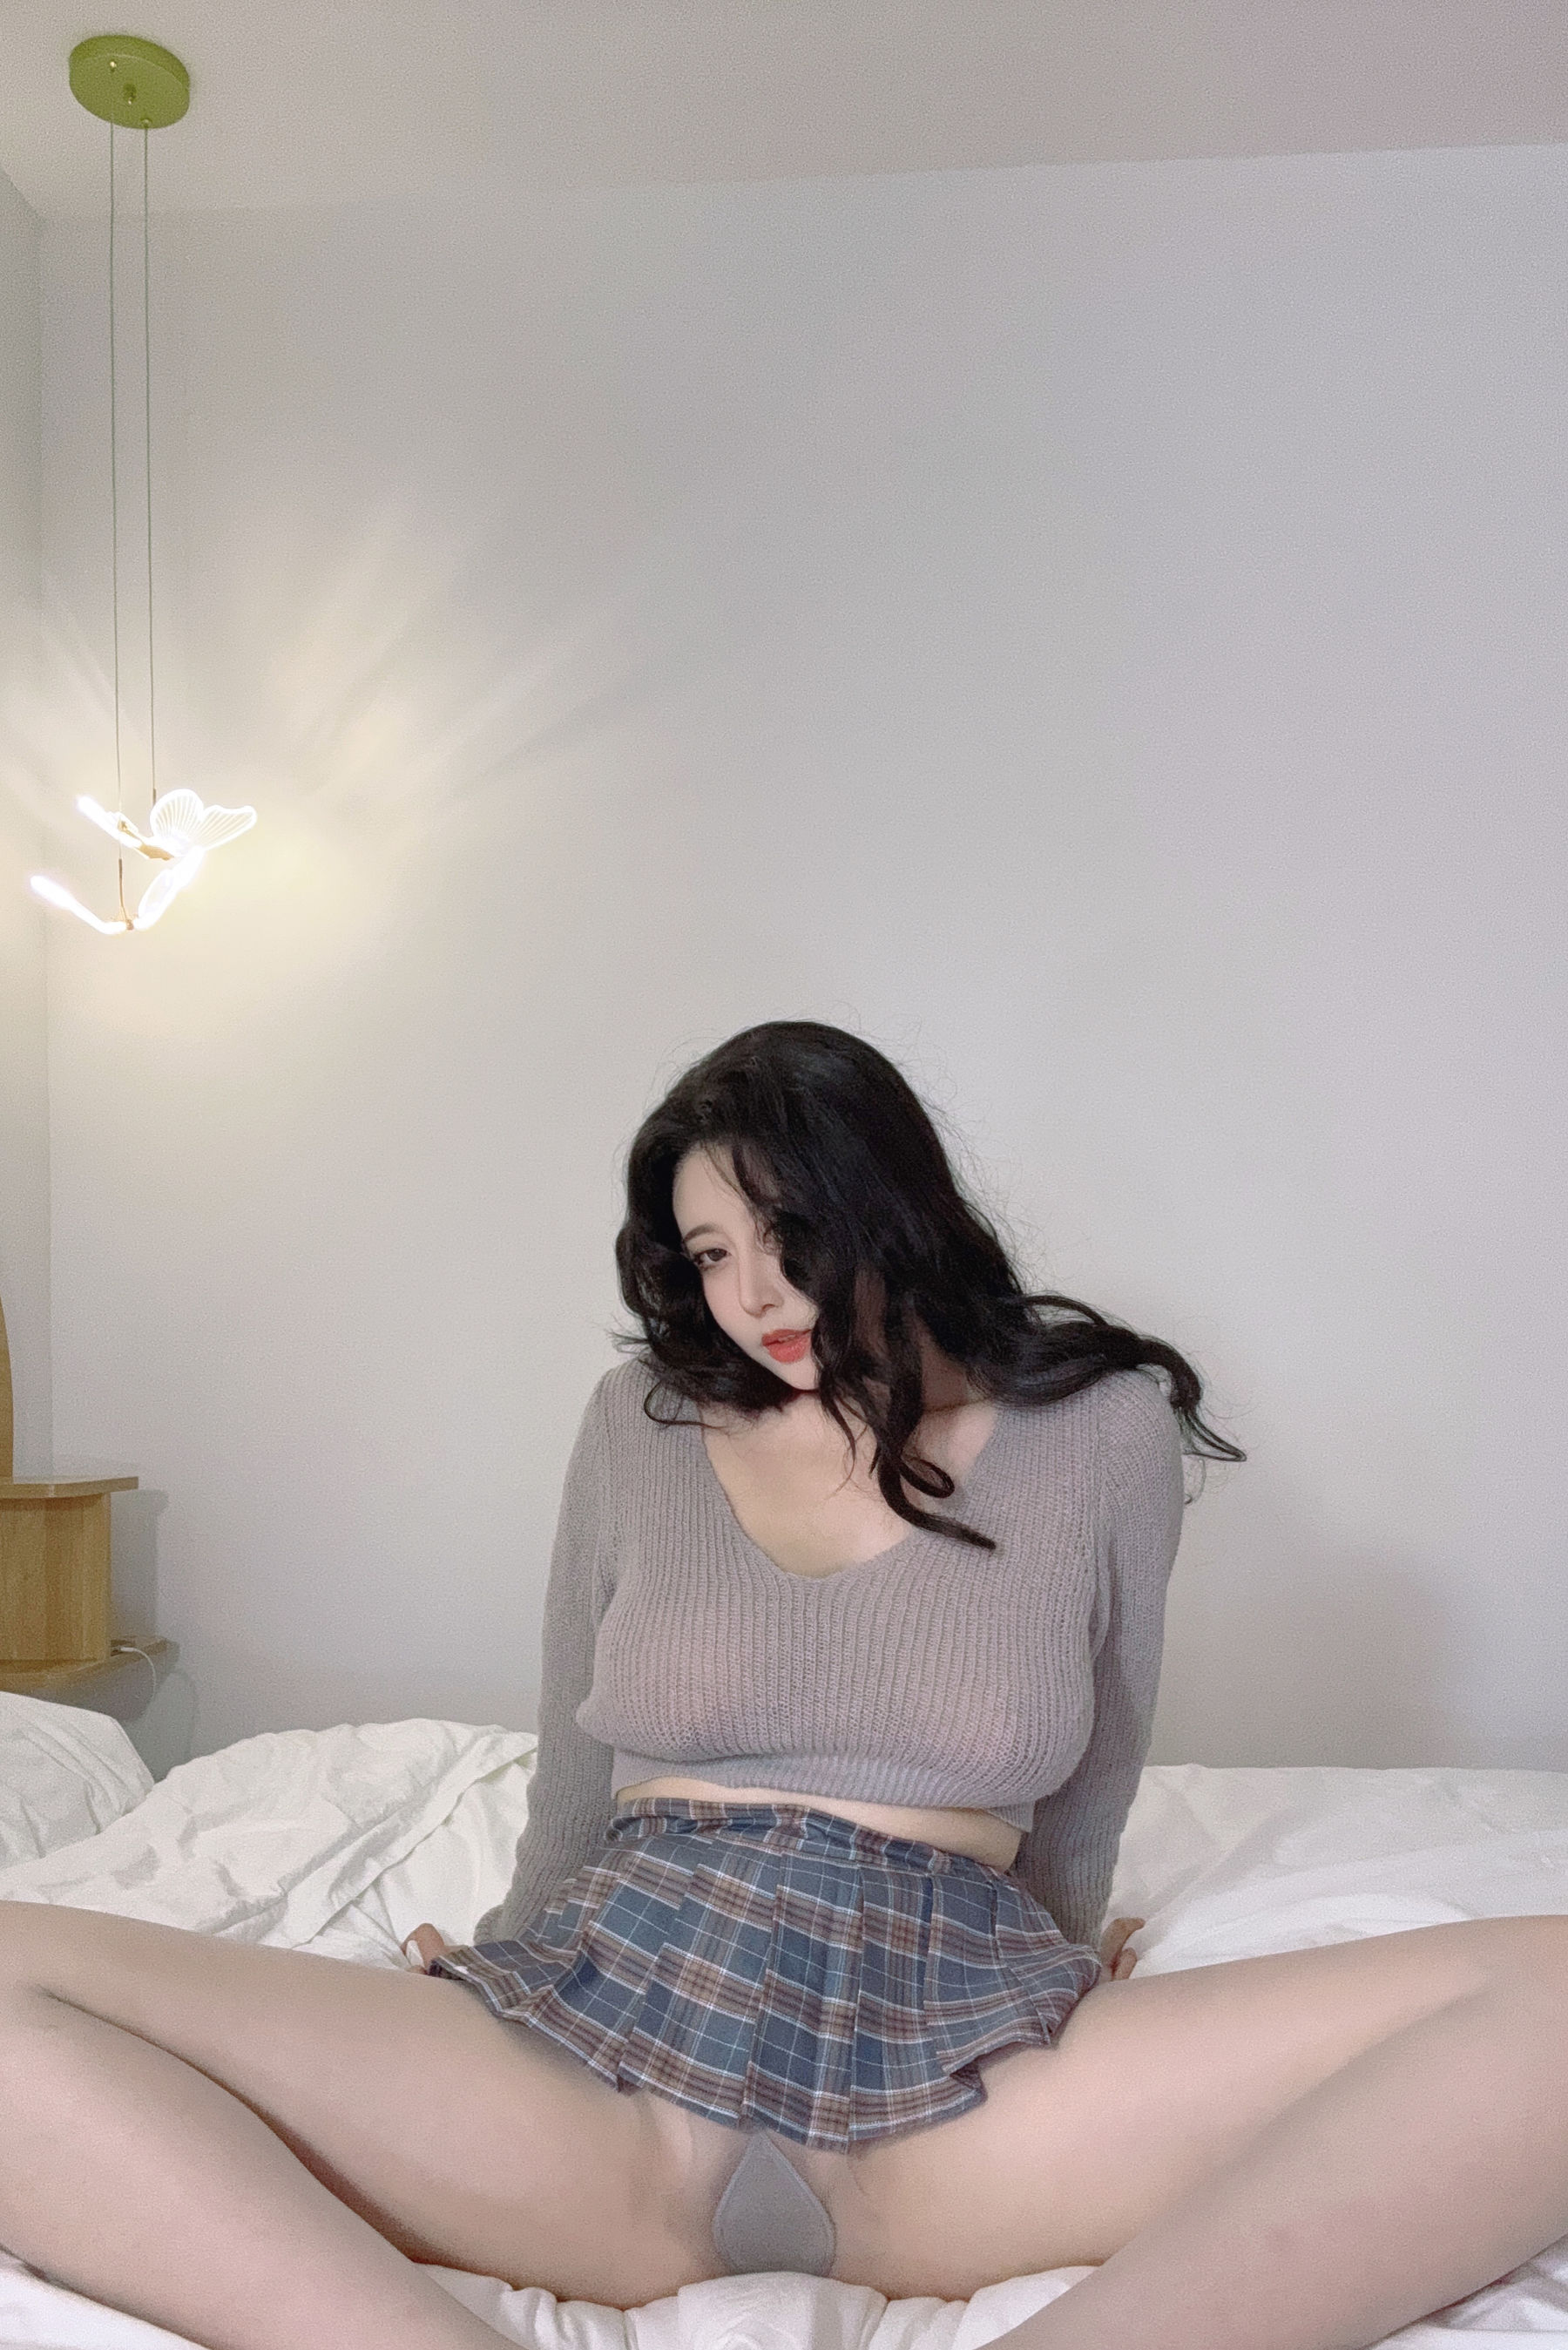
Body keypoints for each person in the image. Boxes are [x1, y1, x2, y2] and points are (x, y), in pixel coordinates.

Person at [1, 1024, 1565, 2350]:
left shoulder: (1102, 1430)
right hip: (604, 2051)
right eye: (709, 1255)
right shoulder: (640, 1421)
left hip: (954, 2079)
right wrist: (503, 1952)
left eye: (785, 1232)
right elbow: (572, 1765)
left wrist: (1066, 1964)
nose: (753, 1293)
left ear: (891, 1202)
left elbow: (1093, 1779)